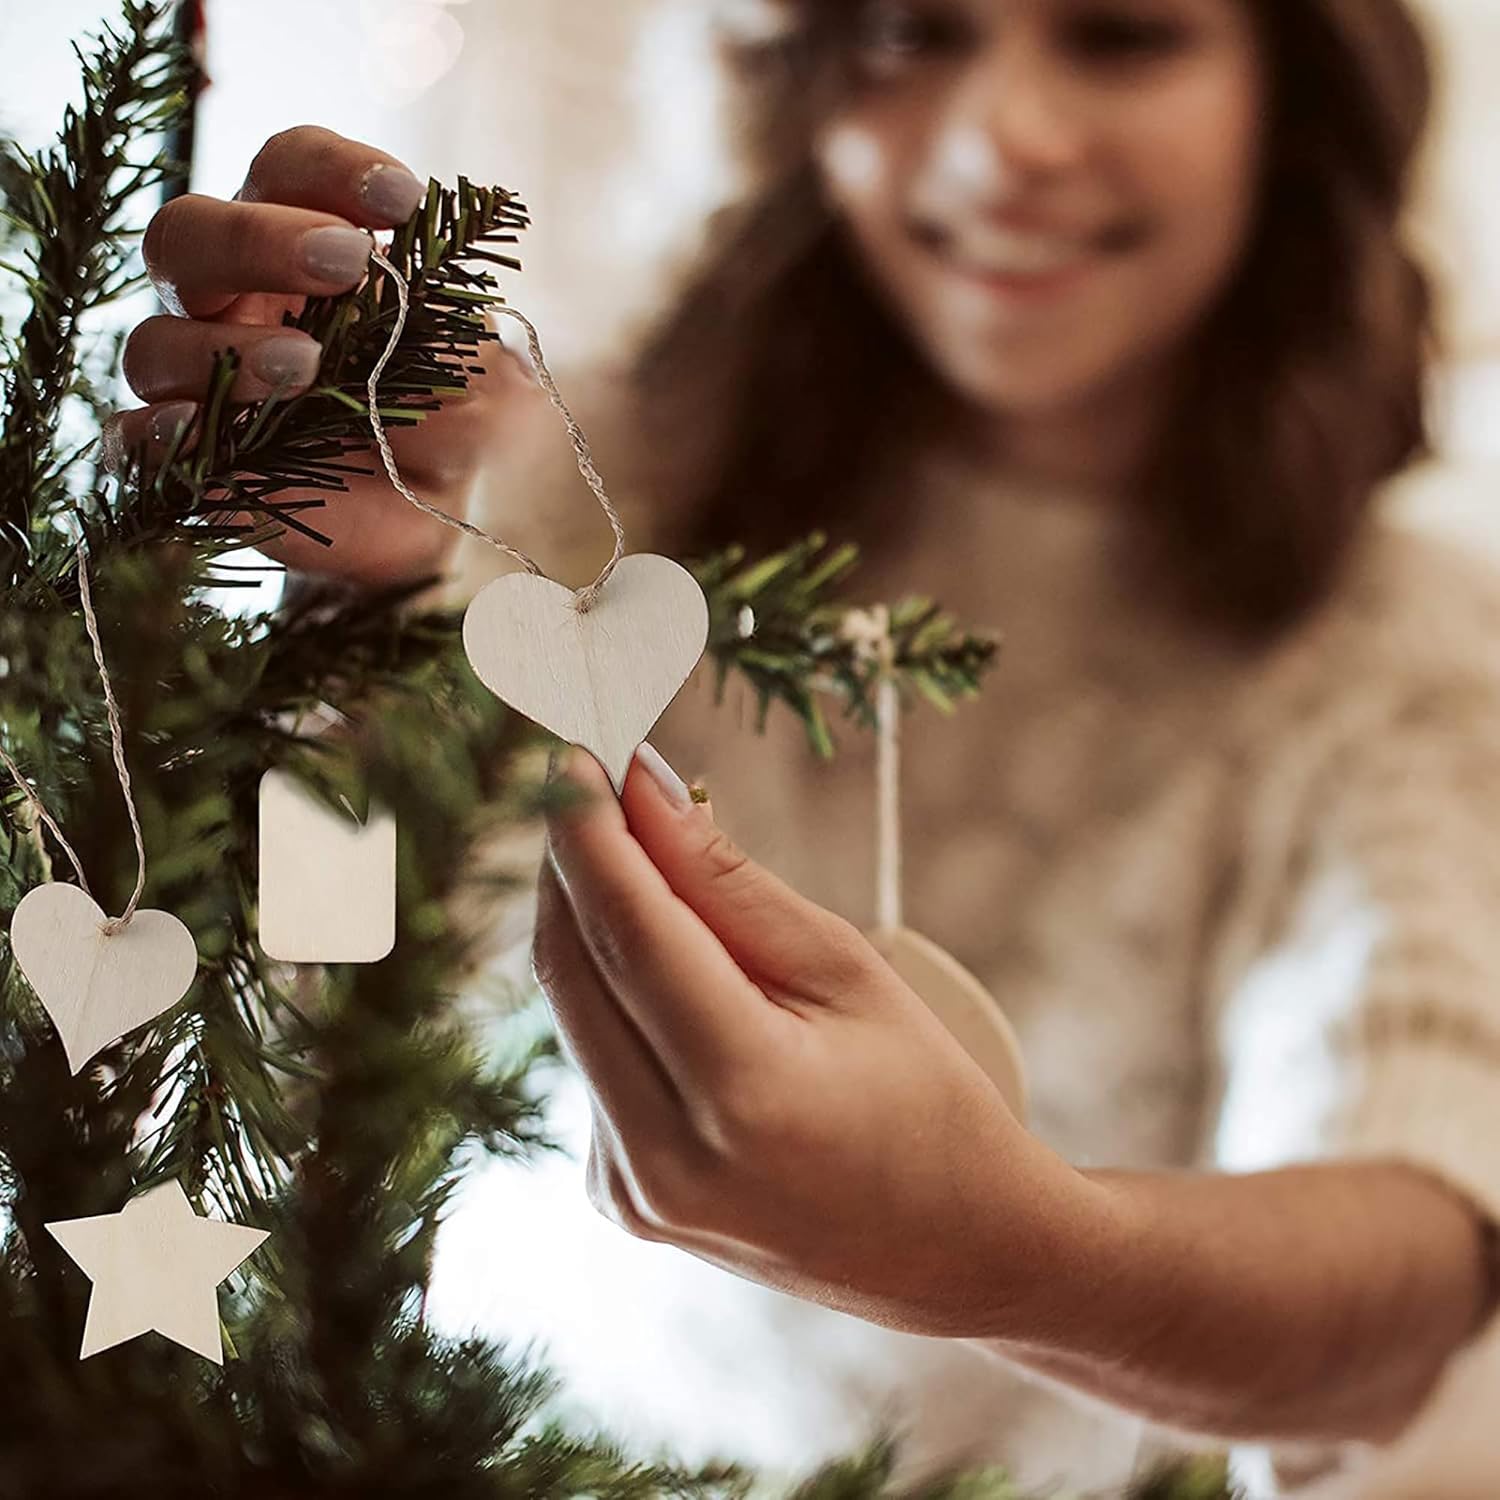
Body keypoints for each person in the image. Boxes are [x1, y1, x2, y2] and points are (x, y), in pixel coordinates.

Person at [115, 0, 1500, 1492]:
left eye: (1119, 35)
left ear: (1293, 92)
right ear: (801, 76)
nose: (999, 142)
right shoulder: (572, 481)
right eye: (913, 33)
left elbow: (1409, 1273)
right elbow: (307, 1024)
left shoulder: (1398, 643)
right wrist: (359, 605)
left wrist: (1008, 1256)